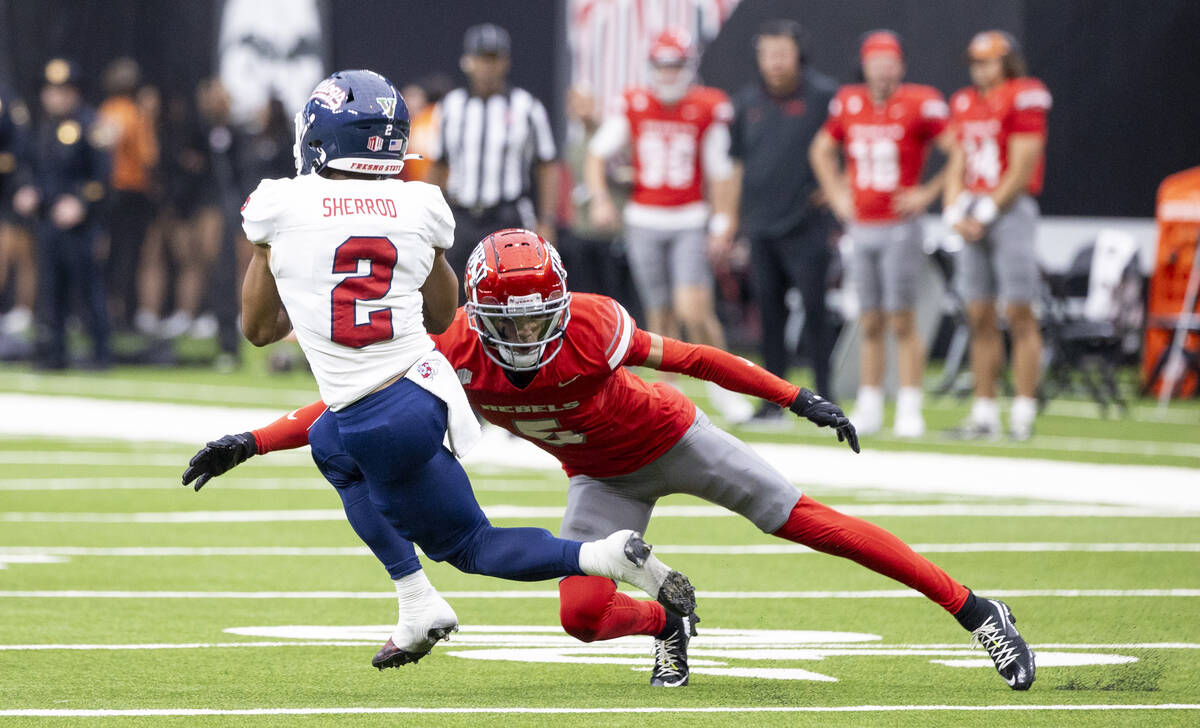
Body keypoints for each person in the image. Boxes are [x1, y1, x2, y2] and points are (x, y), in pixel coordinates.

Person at [188, 229, 1035, 691]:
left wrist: (794, 397)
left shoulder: (592, 323)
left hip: (676, 441)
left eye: (535, 320)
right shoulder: (452, 351)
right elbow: (352, 406)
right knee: (582, 617)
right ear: (473, 315)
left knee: (810, 524)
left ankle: (975, 609)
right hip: (597, 479)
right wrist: (252, 440)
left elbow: (696, 360)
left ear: (560, 305)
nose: (523, 336)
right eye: (506, 322)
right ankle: (670, 622)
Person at [224, 69, 696, 669]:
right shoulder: (421, 202)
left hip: (377, 410)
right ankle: (419, 603)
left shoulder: (278, 203)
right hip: (424, 390)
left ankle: (594, 560)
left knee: (471, 545)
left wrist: (269, 248)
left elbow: (260, 331)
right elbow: (446, 313)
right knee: (329, 444)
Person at [586, 29, 751, 423]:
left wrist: (723, 220)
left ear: (688, 67)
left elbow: (723, 170)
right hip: (644, 218)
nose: (668, 74)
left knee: (694, 310)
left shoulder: (706, 106)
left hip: (689, 217)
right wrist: (601, 199)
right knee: (659, 314)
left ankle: (726, 386)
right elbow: (596, 153)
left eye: (675, 65)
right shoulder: (634, 104)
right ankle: (668, 394)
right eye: (663, 65)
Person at [809, 31, 950, 437]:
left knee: (902, 319)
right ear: (865, 65)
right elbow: (821, 149)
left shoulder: (919, 102)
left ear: (901, 66)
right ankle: (870, 399)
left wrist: (928, 192)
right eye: (876, 62)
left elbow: (957, 148)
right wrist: (837, 194)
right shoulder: (850, 101)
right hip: (862, 226)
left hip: (900, 226)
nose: (884, 70)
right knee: (868, 318)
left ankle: (909, 403)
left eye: (890, 62)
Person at [725, 20, 840, 418]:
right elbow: (737, 164)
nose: (774, 62)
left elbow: (850, 144)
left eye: (782, 53)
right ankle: (774, 401)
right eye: (767, 53)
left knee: (816, 311)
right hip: (760, 224)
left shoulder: (825, 96)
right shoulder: (745, 102)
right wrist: (731, 220)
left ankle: (826, 394)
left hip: (808, 222)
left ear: (798, 55)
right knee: (768, 316)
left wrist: (838, 189)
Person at [942, 31, 1051, 440]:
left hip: (1008, 212)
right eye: (975, 61)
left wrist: (986, 211)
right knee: (978, 315)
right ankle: (984, 412)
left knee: (1021, 312)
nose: (980, 68)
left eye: (988, 60)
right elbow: (958, 160)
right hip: (973, 209)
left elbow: (1023, 165)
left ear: (1007, 61)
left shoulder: (1025, 94)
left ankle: (1022, 412)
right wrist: (955, 211)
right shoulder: (965, 101)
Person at [430, 24, 558, 293]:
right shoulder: (450, 107)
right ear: (468, 62)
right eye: (481, 59)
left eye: (493, 59)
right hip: (460, 215)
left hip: (507, 214)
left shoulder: (527, 107)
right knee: (452, 292)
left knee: (513, 288)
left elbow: (546, 166)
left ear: (505, 63)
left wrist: (547, 219)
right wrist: (431, 216)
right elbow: (438, 165)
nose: (487, 67)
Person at [13, 59, 111, 369]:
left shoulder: (91, 125)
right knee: (50, 288)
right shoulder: (40, 128)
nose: (56, 97)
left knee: (87, 288)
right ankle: (54, 352)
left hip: (80, 226)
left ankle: (100, 352)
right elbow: (29, 168)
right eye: (51, 91)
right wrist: (28, 189)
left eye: (63, 91)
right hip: (47, 221)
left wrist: (81, 202)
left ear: (75, 93)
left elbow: (102, 178)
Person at [97, 57, 159, 329]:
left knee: (109, 254)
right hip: (132, 192)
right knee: (131, 256)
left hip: (107, 191)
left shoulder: (105, 109)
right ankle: (126, 314)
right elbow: (150, 156)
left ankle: (107, 310)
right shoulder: (134, 113)